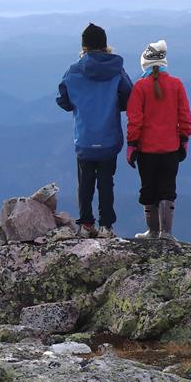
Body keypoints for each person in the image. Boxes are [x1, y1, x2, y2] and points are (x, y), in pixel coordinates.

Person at [56, 23, 132, 238]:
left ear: (84, 47)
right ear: (105, 46)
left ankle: (86, 224)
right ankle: (106, 226)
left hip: (85, 137)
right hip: (109, 137)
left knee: (85, 183)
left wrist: (79, 105)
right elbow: (129, 98)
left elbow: (63, 100)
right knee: (106, 183)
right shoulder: (117, 71)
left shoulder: (73, 71)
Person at [125, 39, 191, 240]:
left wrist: (132, 145)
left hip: (146, 150)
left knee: (148, 188)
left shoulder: (140, 87)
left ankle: (153, 231)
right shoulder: (176, 85)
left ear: (144, 64)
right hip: (171, 148)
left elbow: (134, 120)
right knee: (167, 188)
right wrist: (184, 140)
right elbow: (185, 117)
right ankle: (167, 232)